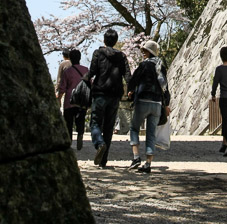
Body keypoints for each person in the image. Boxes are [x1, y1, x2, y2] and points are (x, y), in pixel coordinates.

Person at [89, 29, 131, 168]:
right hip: (114, 96)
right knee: (108, 127)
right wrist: (130, 90)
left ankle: (99, 143)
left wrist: (84, 79)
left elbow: (93, 72)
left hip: (100, 93)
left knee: (95, 123)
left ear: (104, 40)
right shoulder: (122, 56)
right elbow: (127, 76)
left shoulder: (98, 53)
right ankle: (103, 161)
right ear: (116, 41)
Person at [127, 39, 170, 175]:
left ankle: (136, 158)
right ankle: (148, 163)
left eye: (145, 51)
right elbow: (166, 88)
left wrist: (131, 90)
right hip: (157, 103)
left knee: (134, 128)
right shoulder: (161, 67)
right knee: (151, 133)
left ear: (149, 52)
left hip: (143, 100)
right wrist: (167, 104)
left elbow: (133, 81)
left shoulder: (144, 66)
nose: (143, 53)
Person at [57, 49, 89, 151]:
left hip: (69, 101)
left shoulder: (67, 71)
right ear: (80, 58)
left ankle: (69, 141)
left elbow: (62, 87)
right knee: (80, 120)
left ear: (70, 58)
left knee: (68, 123)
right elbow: (90, 83)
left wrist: (59, 97)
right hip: (82, 100)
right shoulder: (86, 70)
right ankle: (80, 134)